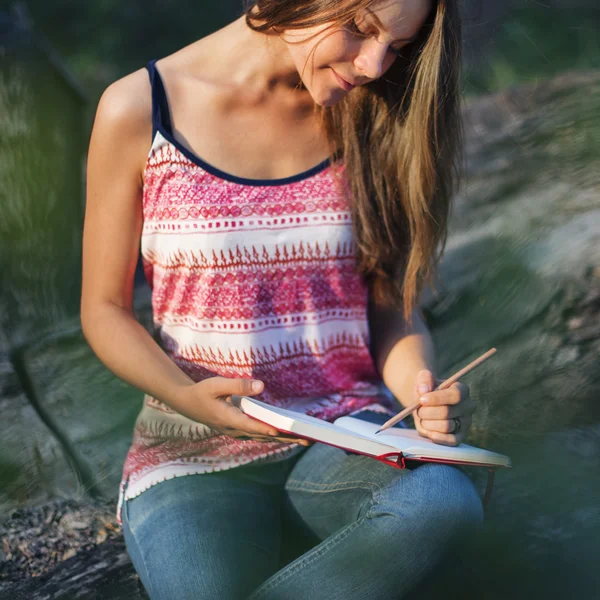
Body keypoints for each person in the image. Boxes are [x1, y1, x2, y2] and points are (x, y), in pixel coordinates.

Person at [81, 0, 482, 598]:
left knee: (443, 503)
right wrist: (187, 398)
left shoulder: (369, 113)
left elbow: (389, 308)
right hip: (192, 453)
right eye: (361, 29)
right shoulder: (140, 108)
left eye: (396, 46)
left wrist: (420, 392)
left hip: (346, 436)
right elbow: (103, 310)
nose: (375, 64)